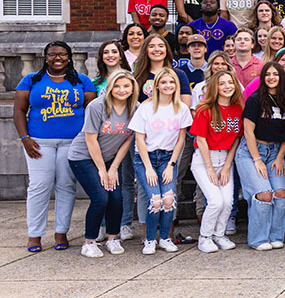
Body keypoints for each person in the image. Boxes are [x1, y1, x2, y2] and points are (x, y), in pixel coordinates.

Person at [16, 41, 97, 252]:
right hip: (38, 142)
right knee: (39, 186)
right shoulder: (31, 80)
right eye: (52, 55)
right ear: (46, 57)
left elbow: (92, 112)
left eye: (62, 54)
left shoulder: (82, 81)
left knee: (66, 186)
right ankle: (34, 234)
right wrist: (24, 138)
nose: (57, 58)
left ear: (69, 57)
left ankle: (61, 232)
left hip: (73, 143)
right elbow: (19, 111)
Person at [67, 70, 136, 257]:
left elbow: (128, 140)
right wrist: (102, 170)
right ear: (110, 87)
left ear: (132, 88)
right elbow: (91, 140)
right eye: (117, 86)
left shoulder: (135, 108)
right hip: (83, 157)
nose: (122, 90)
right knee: (100, 198)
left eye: (126, 86)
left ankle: (112, 238)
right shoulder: (97, 106)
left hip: (111, 158)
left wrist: (113, 168)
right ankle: (89, 242)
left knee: (116, 197)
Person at [235, 61, 285, 251]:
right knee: (264, 194)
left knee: (281, 193)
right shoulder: (255, 99)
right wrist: (257, 159)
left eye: (275, 74)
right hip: (251, 152)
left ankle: (275, 236)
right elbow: (248, 131)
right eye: (267, 74)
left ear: (281, 78)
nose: (271, 77)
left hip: (275, 152)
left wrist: (280, 157)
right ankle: (258, 239)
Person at [127, 68, 189, 255]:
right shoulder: (145, 108)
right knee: (155, 200)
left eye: (171, 82)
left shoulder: (181, 108)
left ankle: (165, 238)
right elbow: (139, 139)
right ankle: (149, 240)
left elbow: (181, 140)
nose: (168, 86)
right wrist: (148, 168)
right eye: (164, 82)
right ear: (157, 86)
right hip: (146, 158)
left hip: (168, 158)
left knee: (168, 199)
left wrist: (171, 165)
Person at [189, 70, 244, 253]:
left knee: (228, 201)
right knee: (215, 201)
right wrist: (210, 168)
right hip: (205, 159)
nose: (227, 86)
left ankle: (219, 235)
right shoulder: (205, 109)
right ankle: (205, 237)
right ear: (215, 87)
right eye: (222, 83)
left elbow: (236, 138)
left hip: (226, 158)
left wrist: (227, 166)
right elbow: (201, 140)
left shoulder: (238, 109)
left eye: (230, 82)